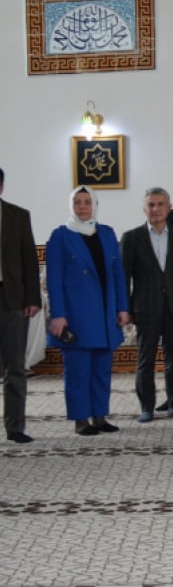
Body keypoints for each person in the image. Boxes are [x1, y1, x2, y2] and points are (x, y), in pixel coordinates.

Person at [46, 187, 130, 436]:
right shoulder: (61, 236)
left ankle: (99, 415)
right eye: (77, 202)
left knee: (102, 367)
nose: (82, 207)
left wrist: (122, 307)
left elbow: (118, 274)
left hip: (105, 312)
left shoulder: (106, 233)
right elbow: (54, 280)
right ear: (70, 205)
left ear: (95, 205)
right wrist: (58, 314)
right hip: (76, 312)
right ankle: (81, 418)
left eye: (87, 202)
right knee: (78, 369)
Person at [122, 187, 173, 422]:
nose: (156, 209)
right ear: (144, 209)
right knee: (145, 360)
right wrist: (124, 308)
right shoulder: (132, 238)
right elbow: (124, 277)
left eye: (160, 204)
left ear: (169, 208)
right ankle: (146, 408)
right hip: (145, 308)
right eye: (151, 205)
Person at [0, 168, 41, 443]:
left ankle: (15, 427)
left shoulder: (18, 215)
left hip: (10, 296)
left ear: (2, 186)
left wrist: (33, 299)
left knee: (14, 366)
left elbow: (29, 259)